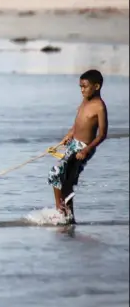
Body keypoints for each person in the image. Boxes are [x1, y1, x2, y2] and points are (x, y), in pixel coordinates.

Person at [48, 69, 108, 223]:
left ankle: (60, 210)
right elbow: (78, 123)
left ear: (96, 86)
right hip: (73, 144)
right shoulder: (85, 101)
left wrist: (86, 150)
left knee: (56, 173)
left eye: (85, 87)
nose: (82, 90)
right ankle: (69, 217)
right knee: (66, 181)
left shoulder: (99, 107)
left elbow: (102, 135)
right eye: (80, 87)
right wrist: (69, 134)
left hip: (83, 148)